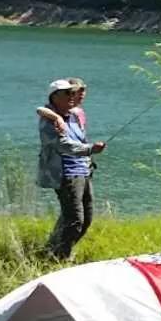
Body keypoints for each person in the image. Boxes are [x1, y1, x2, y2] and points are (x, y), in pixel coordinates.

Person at [37, 79, 106, 259]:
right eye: (67, 93)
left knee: (86, 220)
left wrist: (88, 157)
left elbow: (80, 138)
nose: (72, 96)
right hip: (66, 174)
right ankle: (59, 258)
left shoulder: (73, 116)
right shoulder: (48, 121)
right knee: (74, 220)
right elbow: (63, 146)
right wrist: (90, 149)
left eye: (72, 93)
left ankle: (56, 250)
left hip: (84, 172)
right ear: (54, 97)